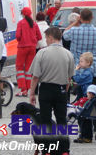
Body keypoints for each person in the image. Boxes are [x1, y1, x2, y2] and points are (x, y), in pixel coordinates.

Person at [29, 26, 75, 154]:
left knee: (45, 120)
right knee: (61, 120)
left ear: (50, 37)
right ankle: (64, 149)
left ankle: (48, 150)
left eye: (46, 38)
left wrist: (32, 92)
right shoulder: (68, 53)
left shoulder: (42, 53)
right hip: (61, 89)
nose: (46, 40)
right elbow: (69, 77)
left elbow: (35, 76)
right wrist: (65, 90)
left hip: (46, 89)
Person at [63, 8, 96, 85]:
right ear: (92, 18)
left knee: (81, 94)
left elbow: (64, 35)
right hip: (95, 67)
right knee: (93, 92)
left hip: (79, 68)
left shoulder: (74, 30)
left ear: (80, 18)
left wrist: (75, 22)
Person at [16, 7, 42, 96]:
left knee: (19, 68)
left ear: (23, 14)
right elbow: (40, 37)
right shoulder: (34, 24)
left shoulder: (21, 23)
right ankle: (28, 88)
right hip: (32, 48)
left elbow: (18, 36)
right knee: (28, 69)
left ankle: (23, 89)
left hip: (22, 47)